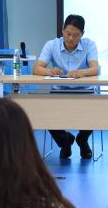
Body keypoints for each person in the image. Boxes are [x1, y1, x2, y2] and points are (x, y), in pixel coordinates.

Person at [34, 14, 100, 159]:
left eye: (76, 35)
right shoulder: (52, 45)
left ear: (82, 34)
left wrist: (82, 72)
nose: (71, 38)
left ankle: (82, 140)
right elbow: (37, 68)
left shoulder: (89, 44)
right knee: (46, 116)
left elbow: (95, 69)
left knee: (95, 112)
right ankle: (65, 142)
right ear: (62, 30)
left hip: (85, 92)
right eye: (68, 33)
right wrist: (50, 71)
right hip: (59, 92)